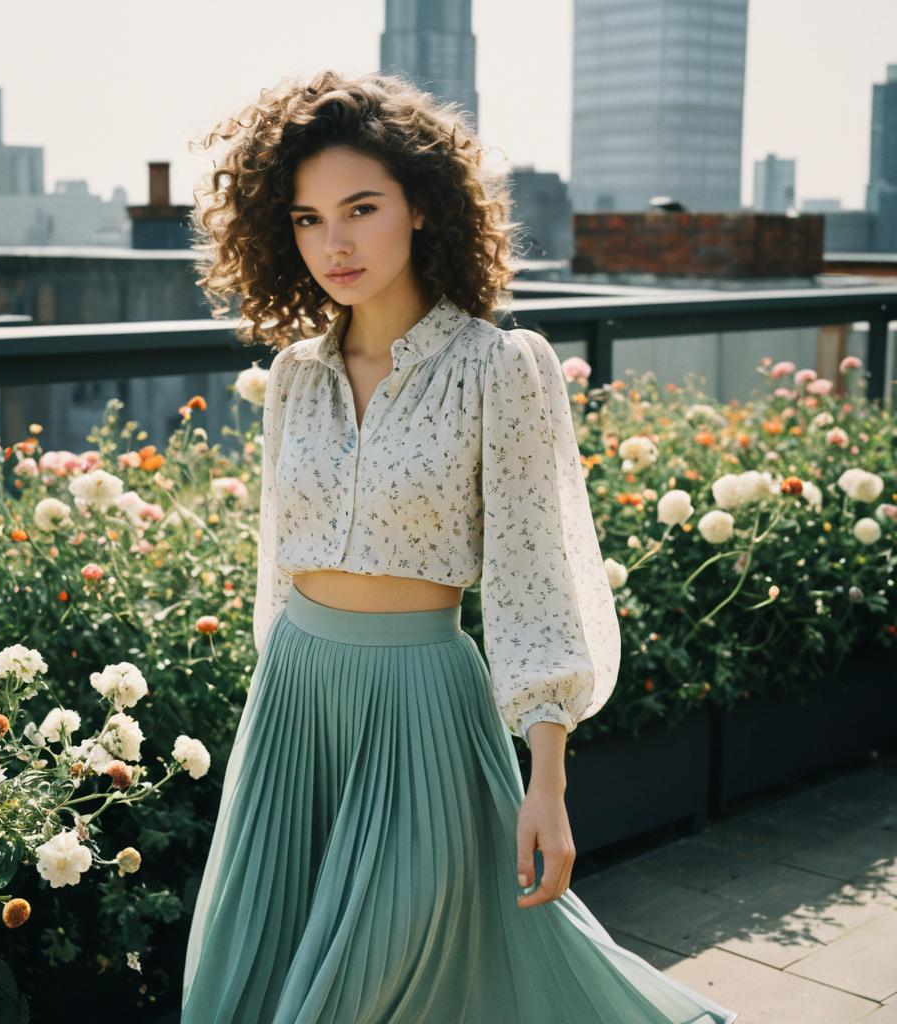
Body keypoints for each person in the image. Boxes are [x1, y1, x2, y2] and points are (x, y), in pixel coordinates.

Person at [180, 68, 738, 1024]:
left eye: (361, 207)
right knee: (259, 979)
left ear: (425, 209)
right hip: (296, 710)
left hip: (422, 714)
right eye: (309, 219)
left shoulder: (499, 369)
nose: (336, 242)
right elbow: (278, 567)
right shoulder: (295, 380)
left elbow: (535, 576)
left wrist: (547, 780)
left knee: (361, 992)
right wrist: (275, 726)